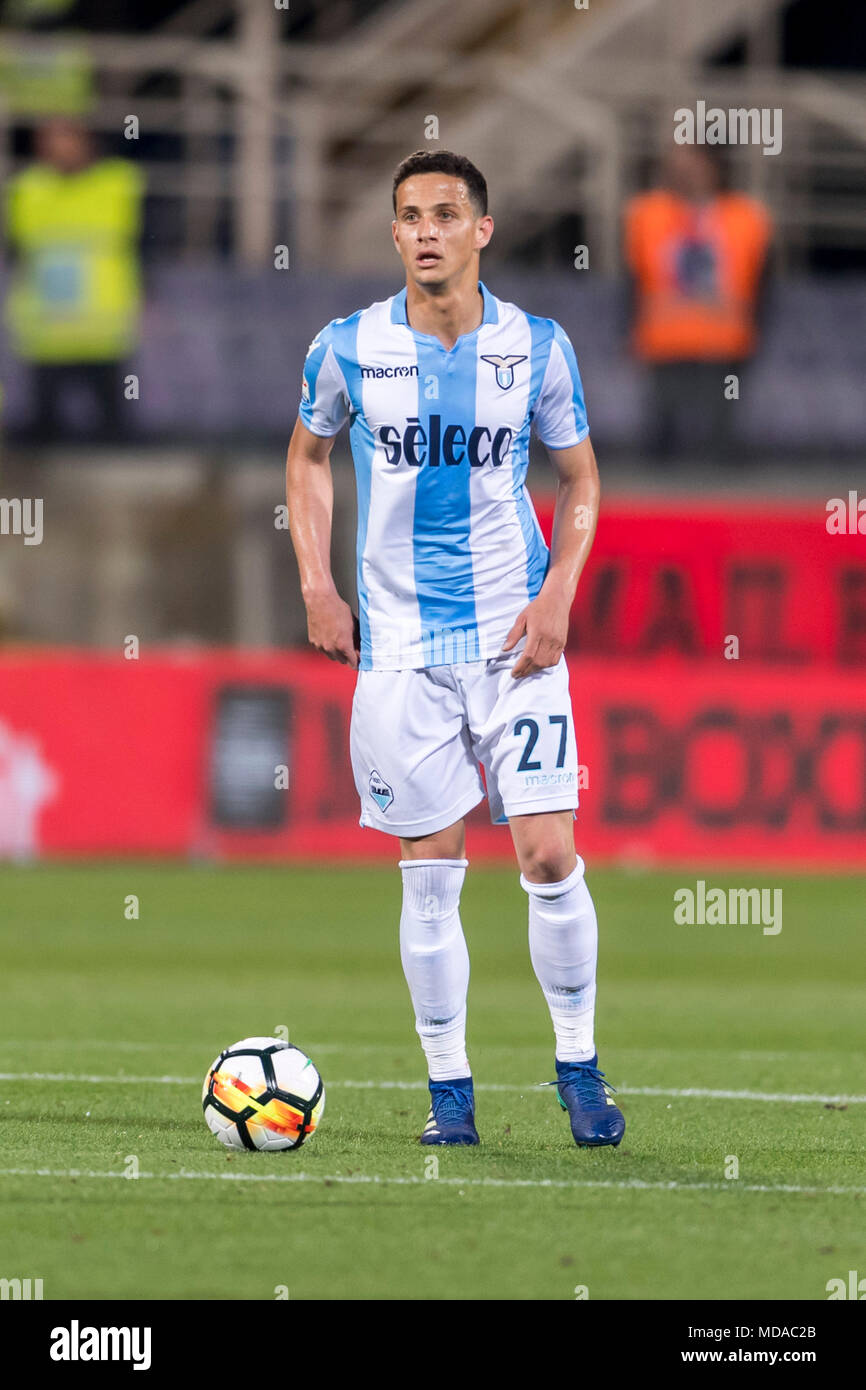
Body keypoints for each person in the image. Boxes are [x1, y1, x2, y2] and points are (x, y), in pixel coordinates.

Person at [286, 149, 624, 1149]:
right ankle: (450, 1096)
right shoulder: (344, 346)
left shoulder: (537, 347)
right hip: (395, 652)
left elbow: (581, 478)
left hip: (513, 639)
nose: (424, 229)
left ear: (482, 230)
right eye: (407, 215)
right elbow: (305, 459)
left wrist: (558, 591)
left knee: (548, 852)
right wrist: (314, 581)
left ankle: (577, 1064)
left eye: (444, 213)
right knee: (429, 873)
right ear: (392, 235)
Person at [624, 145, 772, 459]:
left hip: (725, 342)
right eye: (678, 164)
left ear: (715, 166)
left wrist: (756, 330)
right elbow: (633, 282)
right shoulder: (647, 214)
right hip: (664, 340)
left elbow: (763, 284)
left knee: (720, 443)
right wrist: (630, 329)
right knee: (662, 443)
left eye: (693, 163)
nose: (685, 172)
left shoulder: (745, 217)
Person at [4, 118, 144, 442]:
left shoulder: (117, 183)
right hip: (47, 329)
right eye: (50, 139)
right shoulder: (27, 188)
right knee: (42, 432)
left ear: (88, 141)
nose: (59, 148)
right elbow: (18, 251)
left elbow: (142, 247)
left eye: (68, 138)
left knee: (115, 431)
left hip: (102, 329)